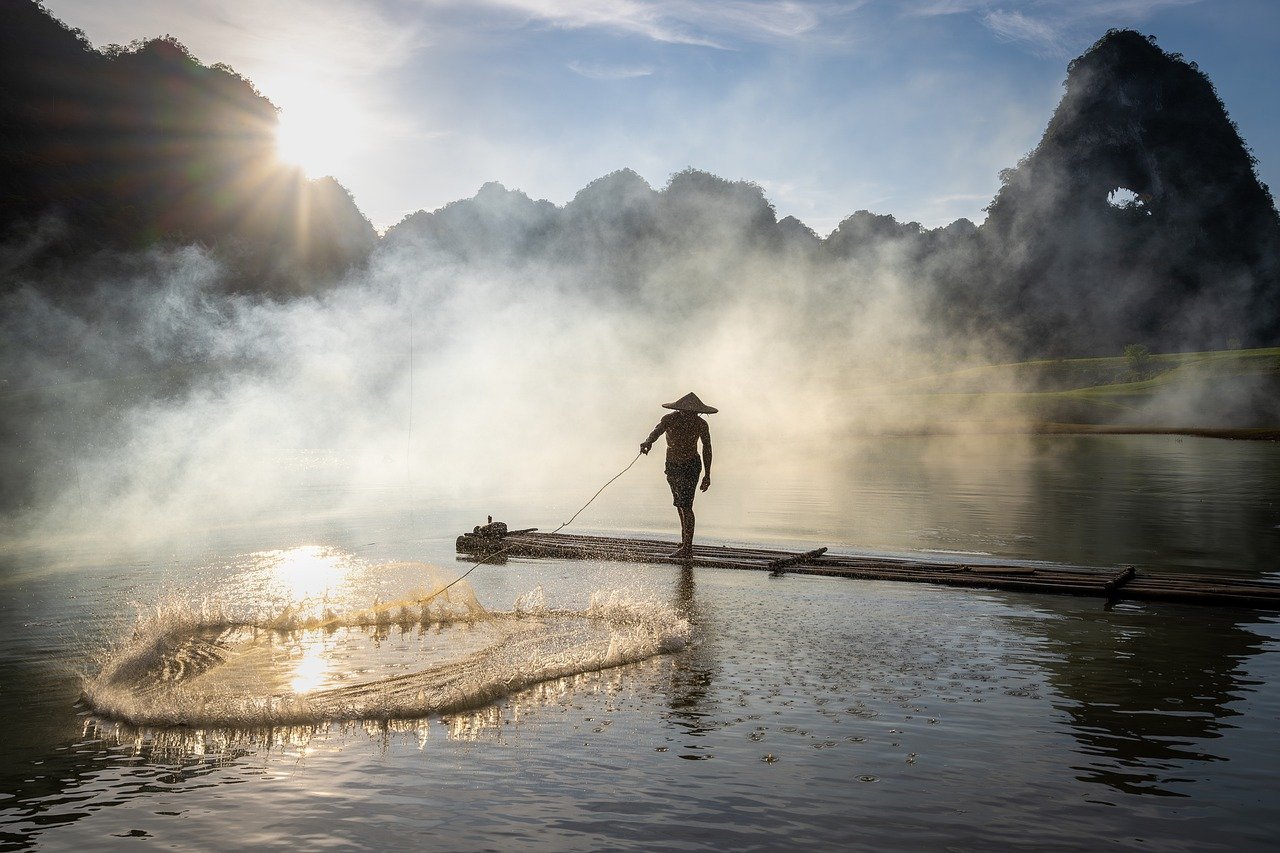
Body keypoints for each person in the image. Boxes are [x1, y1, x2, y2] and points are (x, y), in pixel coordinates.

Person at [640, 392, 716, 558]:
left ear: (698, 413)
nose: (691, 416)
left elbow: (707, 448)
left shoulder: (701, 424)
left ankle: (687, 548)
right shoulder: (670, 419)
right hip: (672, 464)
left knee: (686, 505)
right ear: (680, 410)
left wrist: (707, 474)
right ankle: (685, 540)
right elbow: (657, 432)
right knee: (679, 504)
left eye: (694, 413)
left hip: (690, 465)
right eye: (688, 412)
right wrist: (648, 442)